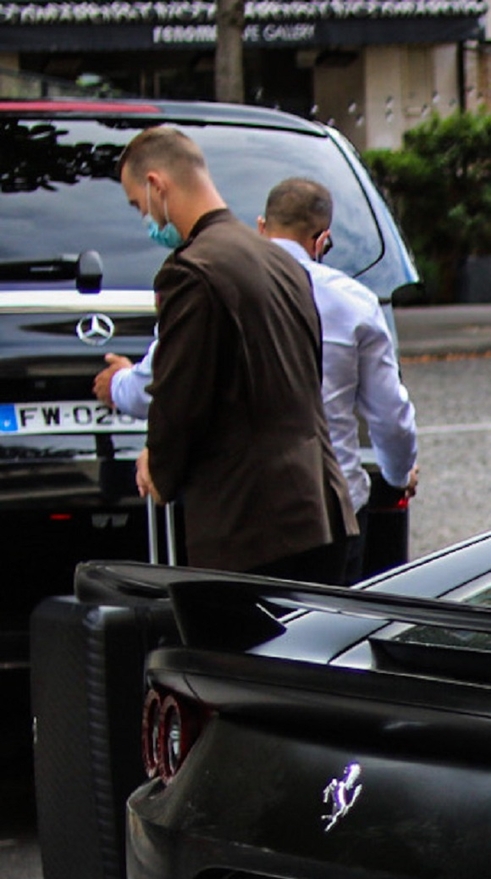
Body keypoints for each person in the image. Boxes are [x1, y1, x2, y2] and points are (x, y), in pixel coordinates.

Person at [98, 177, 418, 586]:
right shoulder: (354, 301)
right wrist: (398, 473)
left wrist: (118, 384)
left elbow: (162, 384)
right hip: (335, 505)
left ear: (262, 227)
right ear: (323, 240)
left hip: (248, 514)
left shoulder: (223, 280)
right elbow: (390, 416)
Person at [117, 125, 354, 579]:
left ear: (155, 185)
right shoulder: (282, 262)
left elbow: (181, 395)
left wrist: (159, 465)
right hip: (319, 507)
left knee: (238, 651)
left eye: (137, 204)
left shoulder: (192, 271)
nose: (143, 216)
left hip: (250, 526)